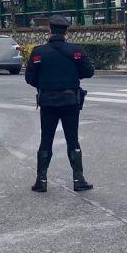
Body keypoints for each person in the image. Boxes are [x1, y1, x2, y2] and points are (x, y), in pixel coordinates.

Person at [25, 14, 95, 193]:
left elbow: (30, 77)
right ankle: (78, 179)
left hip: (48, 102)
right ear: (66, 32)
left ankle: (41, 180)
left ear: (49, 30)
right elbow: (88, 72)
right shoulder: (75, 50)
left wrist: (45, 84)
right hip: (71, 101)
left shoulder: (39, 52)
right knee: (73, 139)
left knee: (46, 139)